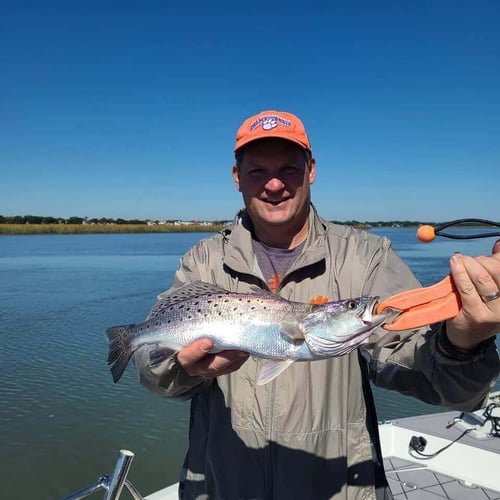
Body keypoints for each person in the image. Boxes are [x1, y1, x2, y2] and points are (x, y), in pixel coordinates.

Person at [134, 110, 500, 500]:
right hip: (224, 487)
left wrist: (463, 342)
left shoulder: (367, 256)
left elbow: (444, 388)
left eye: (289, 169)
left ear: (311, 170)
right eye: (257, 171)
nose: (274, 185)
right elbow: (153, 370)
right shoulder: (202, 260)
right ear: (237, 177)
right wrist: (183, 368)